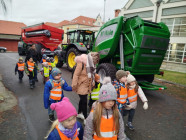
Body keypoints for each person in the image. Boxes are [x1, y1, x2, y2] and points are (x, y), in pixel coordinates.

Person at [72, 52, 100, 124]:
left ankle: (79, 113)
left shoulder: (91, 65)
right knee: (84, 101)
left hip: (87, 85)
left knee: (82, 100)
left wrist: (93, 82)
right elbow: (76, 75)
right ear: (91, 59)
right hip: (81, 85)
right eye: (94, 61)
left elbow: (92, 75)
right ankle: (85, 117)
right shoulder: (81, 64)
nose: (95, 63)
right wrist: (74, 85)